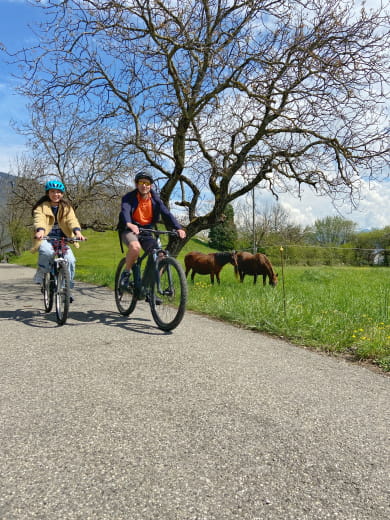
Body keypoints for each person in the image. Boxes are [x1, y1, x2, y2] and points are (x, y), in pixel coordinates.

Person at [117, 172, 186, 288]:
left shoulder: (156, 201)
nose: (144, 185)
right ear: (136, 184)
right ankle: (126, 273)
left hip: (146, 232)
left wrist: (178, 228)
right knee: (135, 247)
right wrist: (129, 224)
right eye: (141, 182)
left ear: (151, 186)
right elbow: (125, 210)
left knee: (160, 256)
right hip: (129, 230)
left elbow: (167, 214)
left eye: (147, 183)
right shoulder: (129, 197)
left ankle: (151, 288)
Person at [31, 179, 86, 301]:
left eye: (58, 192)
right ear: (48, 193)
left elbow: (72, 220)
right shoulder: (41, 207)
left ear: (62, 194)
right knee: (46, 252)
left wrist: (77, 232)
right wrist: (40, 230)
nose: (56, 194)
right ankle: (42, 272)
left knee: (70, 261)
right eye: (53, 192)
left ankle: (67, 289)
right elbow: (38, 219)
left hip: (62, 239)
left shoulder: (66, 207)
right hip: (46, 238)